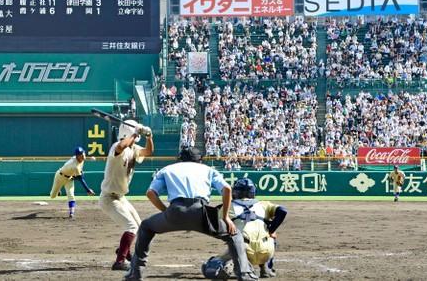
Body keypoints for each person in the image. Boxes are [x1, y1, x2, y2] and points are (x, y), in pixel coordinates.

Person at [124, 147, 257, 281]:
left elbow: (150, 193)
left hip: (175, 211)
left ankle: (135, 273)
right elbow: (227, 189)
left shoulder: (167, 169)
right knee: (234, 235)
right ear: (200, 160)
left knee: (146, 226)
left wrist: (166, 212)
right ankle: (244, 274)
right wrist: (226, 217)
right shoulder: (208, 170)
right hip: (201, 213)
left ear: (180, 159)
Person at [202, 178, 288, 279]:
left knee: (208, 267)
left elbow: (217, 228)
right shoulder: (263, 205)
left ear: (235, 192)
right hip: (267, 252)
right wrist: (271, 230)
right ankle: (266, 269)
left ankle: (233, 264)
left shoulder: (228, 207)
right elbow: (283, 211)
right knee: (271, 235)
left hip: (243, 251)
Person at [99, 119, 154, 271]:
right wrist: (136, 132)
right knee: (131, 227)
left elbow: (148, 152)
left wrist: (149, 136)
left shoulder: (134, 148)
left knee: (140, 226)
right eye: (134, 135)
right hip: (109, 198)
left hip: (121, 197)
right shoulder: (115, 147)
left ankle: (124, 250)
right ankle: (120, 261)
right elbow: (122, 146)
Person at [49, 146, 95, 218]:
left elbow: (78, 174)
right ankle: (58, 191)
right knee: (52, 196)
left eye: (83, 153)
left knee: (71, 195)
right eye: (80, 155)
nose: (83, 156)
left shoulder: (81, 159)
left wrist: (79, 173)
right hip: (60, 177)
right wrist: (88, 190)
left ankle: (71, 213)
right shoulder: (74, 165)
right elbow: (80, 179)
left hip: (69, 178)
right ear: (77, 157)